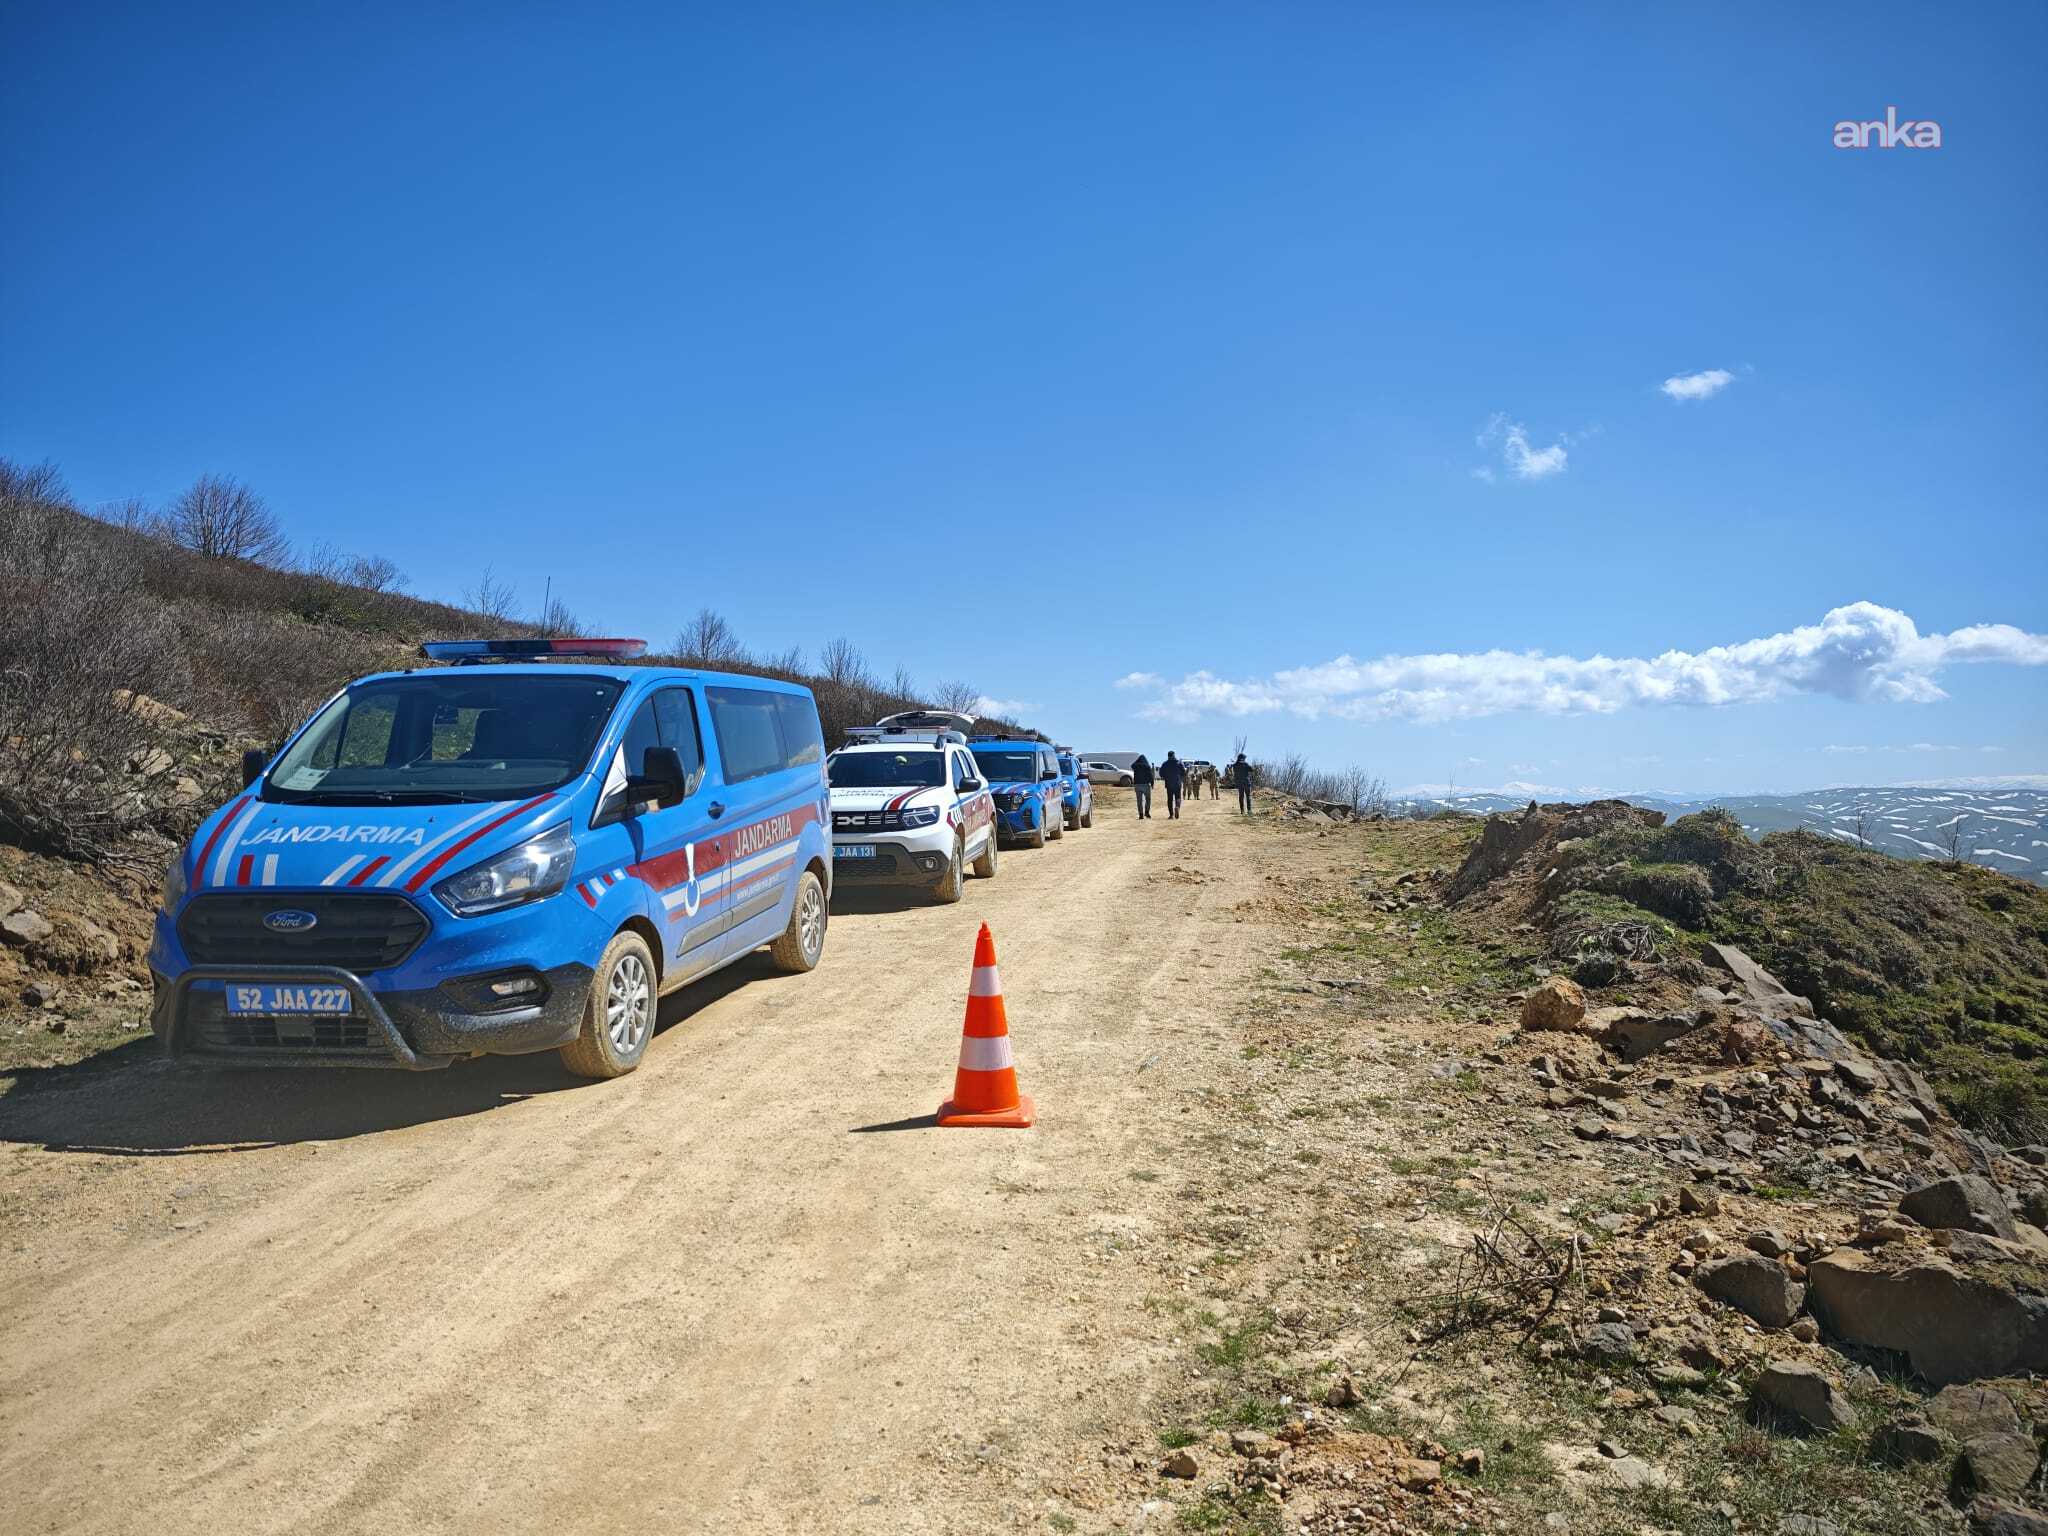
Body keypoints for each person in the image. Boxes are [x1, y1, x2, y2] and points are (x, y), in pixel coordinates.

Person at [1159, 750, 1187, 819]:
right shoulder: (1179, 763)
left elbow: (1161, 774)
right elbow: (1184, 772)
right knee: (1178, 797)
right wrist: (1180, 776)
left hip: (1169, 784)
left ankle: (1171, 815)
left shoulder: (1165, 764)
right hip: (1177, 783)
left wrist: (1166, 776)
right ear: (1174, 755)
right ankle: (1177, 807)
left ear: (1168, 756)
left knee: (1170, 799)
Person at [1130, 753, 1154, 819]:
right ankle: (1147, 812)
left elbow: (1132, 765)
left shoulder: (1136, 766)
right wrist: (1152, 784)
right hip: (1146, 785)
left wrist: (1137, 761)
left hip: (1137, 785)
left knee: (1139, 801)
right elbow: (1150, 775)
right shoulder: (1147, 766)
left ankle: (1141, 814)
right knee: (1148, 799)